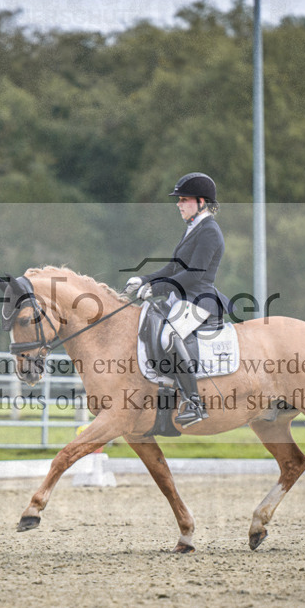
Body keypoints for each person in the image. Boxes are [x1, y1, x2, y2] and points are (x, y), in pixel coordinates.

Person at [124, 172, 230, 427]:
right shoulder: (193, 228)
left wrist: (158, 288)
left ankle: (194, 402)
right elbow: (173, 268)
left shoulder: (209, 232)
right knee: (150, 328)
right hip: (181, 298)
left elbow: (195, 274)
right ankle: (164, 400)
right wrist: (145, 280)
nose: (179, 204)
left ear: (201, 202)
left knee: (168, 336)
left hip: (198, 298)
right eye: (179, 199)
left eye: (184, 199)